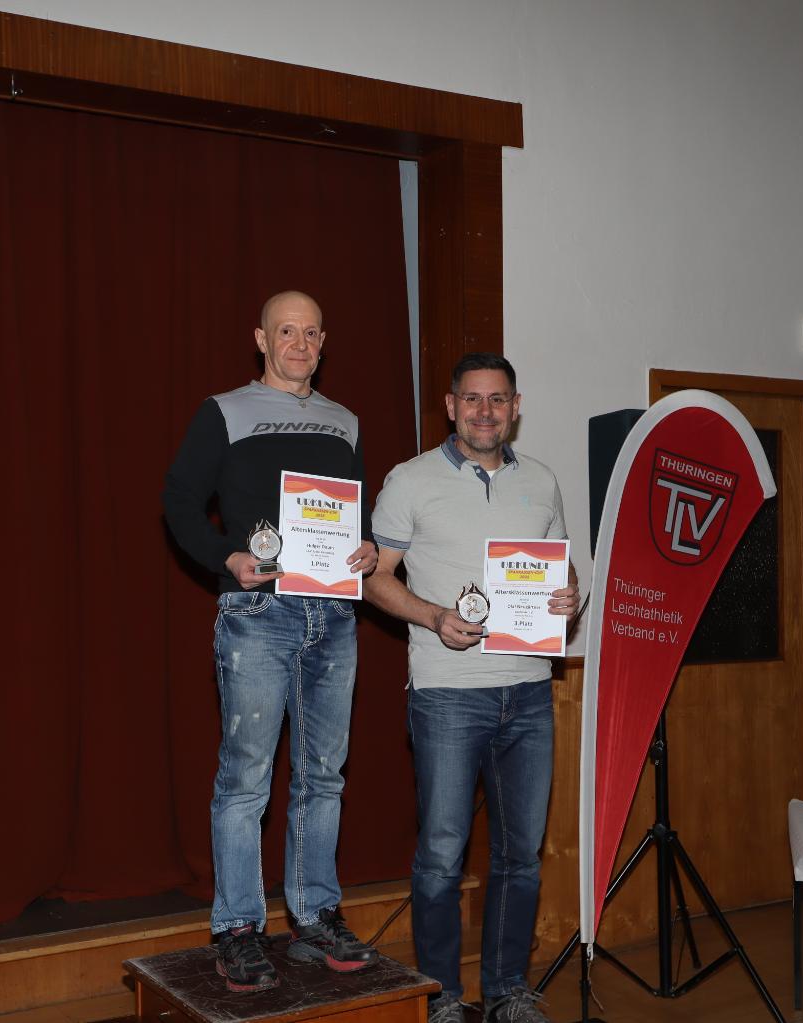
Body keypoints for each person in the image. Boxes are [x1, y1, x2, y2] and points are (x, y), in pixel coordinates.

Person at [162, 291, 379, 993]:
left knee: (324, 775)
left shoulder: (345, 422)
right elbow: (178, 500)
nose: (300, 344)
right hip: (256, 612)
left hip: (333, 617)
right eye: (287, 331)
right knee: (245, 778)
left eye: (311, 333)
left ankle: (315, 917)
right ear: (261, 339)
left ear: (323, 341)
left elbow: (353, 518)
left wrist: (368, 548)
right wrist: (225, 557)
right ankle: (237, 928)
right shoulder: (223, 411)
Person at [365, 353, 579, 1023]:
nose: (486, 411)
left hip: (529, 691)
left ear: (515, 407)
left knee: (521, 856)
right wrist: (434, 616)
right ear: (451, 406)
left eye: (498, 399)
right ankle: (441, 999)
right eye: (473, 399)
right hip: (447, 693)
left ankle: (508, 992)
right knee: (441, 854)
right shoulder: (409, 479)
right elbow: (374, 577)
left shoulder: (541, 480)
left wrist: (568, 597)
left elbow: (561, 573)